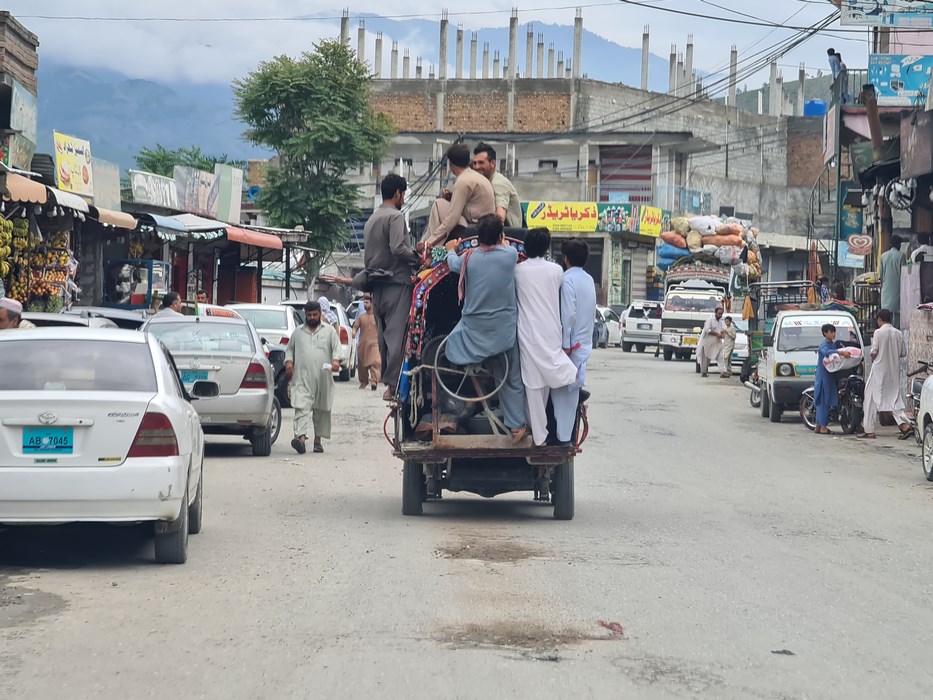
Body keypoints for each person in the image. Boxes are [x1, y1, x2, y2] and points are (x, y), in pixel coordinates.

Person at [444, 214, 527, 442]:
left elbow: (451, 263)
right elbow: (507, 247)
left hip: (471, 337)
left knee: (445, 346)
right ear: (501, 235)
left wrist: (451, 248)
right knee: (512, 379)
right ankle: (517, 426)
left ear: (478, 238)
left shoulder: (468, 258)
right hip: (504, 337)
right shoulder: (510, 256)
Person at [514, 228, 578, 447]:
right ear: (546, 247)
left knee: (532, 382)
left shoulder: (518, 271)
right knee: (546, 381)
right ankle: (539, 430)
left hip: (528, 331)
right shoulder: (556, 270)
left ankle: (538, 434)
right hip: (551, 329)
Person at [363, 173, 421, 401]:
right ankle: (392, 386)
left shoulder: (372, 219)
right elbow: (398, 248)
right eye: (403, 194)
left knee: (384, 340)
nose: (404, 199)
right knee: (397, 339)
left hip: (376, 287)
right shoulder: (395, 217)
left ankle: (390, 384)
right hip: (397, 284)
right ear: (398, 193)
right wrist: (417, 258)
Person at [551, 238, 597, 446]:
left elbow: (568, 314)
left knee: (561, 394)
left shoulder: (567, 279)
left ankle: (561, 439)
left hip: (570, 347)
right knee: (568, 394)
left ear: (565, 259)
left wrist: (564, 346)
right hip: (583, 345)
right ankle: (564, 436)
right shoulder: (588, 279)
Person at [285, 300, 342, 454]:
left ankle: (318, 441)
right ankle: (301, 440)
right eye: (309, 315)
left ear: (320, 314)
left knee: (322, 409)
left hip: (323, 377)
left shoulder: (329, 331)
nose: (311, 317)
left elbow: (336, 348)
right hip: (302, 377)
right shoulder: (298, 332)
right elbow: (290, 350)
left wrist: (336, 361)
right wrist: (289, 362)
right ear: (305, 315)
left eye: (314, 314)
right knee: (301, 407)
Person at [422, 143, 495, 251]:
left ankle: (431, 249)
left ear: (451, 164)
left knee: (439, 204)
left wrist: (430, 241)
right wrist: (452, 197)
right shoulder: (474, 176)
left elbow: (453, 218)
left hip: (475, 225)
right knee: (443, 203)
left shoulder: (463, 181)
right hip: (483, 223)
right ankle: (426, 243)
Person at [858, 309, 912, 440]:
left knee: (870, 397)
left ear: (879, 319)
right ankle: (904, 425)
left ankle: (869, 430)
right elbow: (903, 353)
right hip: (893, 371)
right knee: (893, 398)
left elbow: (874, 351)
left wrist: (874, 357)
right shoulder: (898, 333)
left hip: (879, 370)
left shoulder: (878, 332)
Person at [471, 142, 522, 228]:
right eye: (474, 163)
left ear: (493, 164)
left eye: (481, 163)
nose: (476, 167)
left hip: (507, 236)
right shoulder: (484, 183)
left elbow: (500, 217)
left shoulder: (498, 183)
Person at [814, 323, 851, 435]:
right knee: (823, 402)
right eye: (831, 332)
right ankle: (823, 426)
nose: (833, 334)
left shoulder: (833, 345)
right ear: (825, 333)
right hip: (824, 377)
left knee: (823, 402)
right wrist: (840, 352)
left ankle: (818, 425)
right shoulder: (824, 345)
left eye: (834, 331)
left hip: (829, 376)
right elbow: (826, 353)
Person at [352, 294, 381, 391]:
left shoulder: (377, 317)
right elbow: (355, 326)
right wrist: (354, 332)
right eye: (364, 302)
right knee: (361, 365)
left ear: (372, 304)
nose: (365, 304)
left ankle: (374, 381)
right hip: (363, 344)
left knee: (375, 362)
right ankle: (363, 382)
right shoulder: (361, 316)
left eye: (367, 302)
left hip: (374, 344)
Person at [880, 235, 903, 327]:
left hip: (886, 292)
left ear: (890, 244)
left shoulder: (883, 256)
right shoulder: (901, 256)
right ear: (899, 245)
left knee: (886, 318)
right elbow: (904, 275)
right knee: (897, 320)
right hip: (898, 291)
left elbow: (881, 276)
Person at [697, 307, 727, 378]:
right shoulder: (709, 320)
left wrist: (722, 333)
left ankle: (723, 372)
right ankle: (704, 372)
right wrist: (717, 334)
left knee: (720, 357)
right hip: (707, 343)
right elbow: (707, 330)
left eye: (721, 314)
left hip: (717, 343)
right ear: (715, 313)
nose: (720, 315)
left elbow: (719, 330)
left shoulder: (719, 322)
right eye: (719, 314)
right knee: (706, 358)